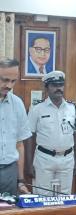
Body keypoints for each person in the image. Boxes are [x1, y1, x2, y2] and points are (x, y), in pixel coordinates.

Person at [26, 71, 76, 195]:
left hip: (67, 158)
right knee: (43, 196)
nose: (59, 88)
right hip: (44, 158)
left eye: (61, 85)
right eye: (54, 85)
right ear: (46, 88)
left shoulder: (72, 108)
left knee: (64, 196)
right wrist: (29, 164)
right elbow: (29, 138)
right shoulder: (37, 109)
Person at [0, 57, 31, 195]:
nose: (9, 86)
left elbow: (19, 144)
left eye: (13, 81)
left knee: (9, 214)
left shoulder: (17, 104)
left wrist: (21, 180)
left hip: (9, 173)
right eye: (5, 80)